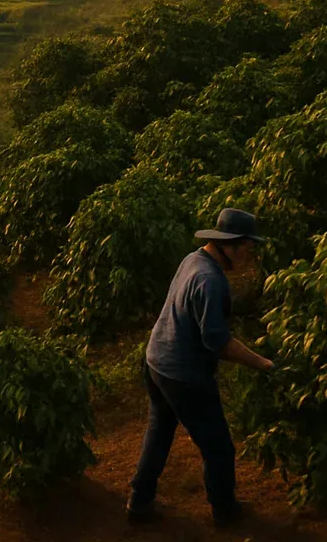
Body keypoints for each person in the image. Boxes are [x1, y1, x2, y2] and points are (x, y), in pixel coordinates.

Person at [127, 208, 275, 528]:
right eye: (248, 248)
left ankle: (139, 500)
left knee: (160, 429)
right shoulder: (210, 280)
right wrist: (263, 363)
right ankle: (224, 511)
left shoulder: (192, 259)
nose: (249, 256)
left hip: (156, 360)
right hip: (183, 374)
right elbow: (218, 343)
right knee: (218, 447)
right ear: (231, 245)